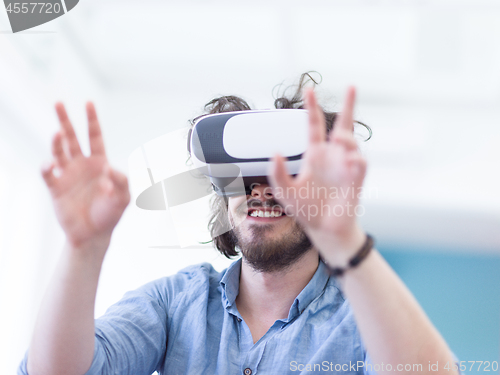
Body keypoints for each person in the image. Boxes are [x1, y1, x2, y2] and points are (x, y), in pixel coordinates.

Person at [19, 74, 460, 375]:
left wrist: (345, 241)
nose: (261, 192)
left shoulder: (362, 321)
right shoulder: (176, 303)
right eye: (245, 179)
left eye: (282, 180)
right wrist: (85, 249)